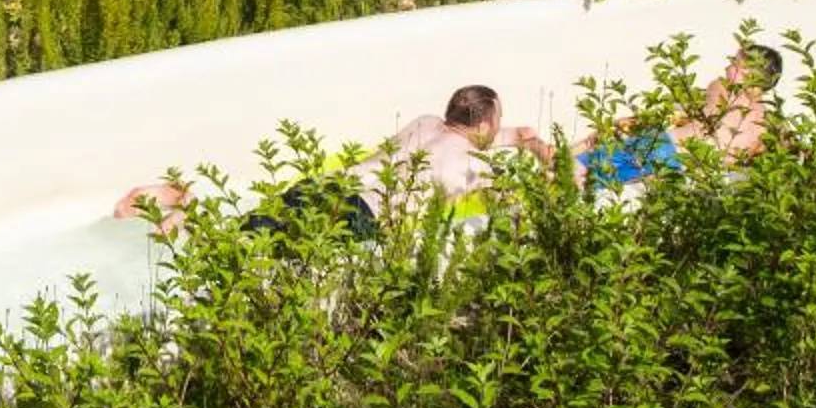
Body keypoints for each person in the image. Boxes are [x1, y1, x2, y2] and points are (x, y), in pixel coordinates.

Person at [114, 85, 550, 241]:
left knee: (242, 235)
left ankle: (175, 208)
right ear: (488, 123)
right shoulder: (476, 168)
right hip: (358, 216)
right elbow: (514, 206)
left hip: (326, 186)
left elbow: (471, 143)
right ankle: (183, 211)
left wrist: (526, 141)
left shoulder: (424, 123)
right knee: (260, 255)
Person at [576, 44, 783, 189]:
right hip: (686, 169)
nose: (727, 66)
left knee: (580, 167)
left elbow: (698, 114)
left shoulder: (722, 87)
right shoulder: (765, 119)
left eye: (734, 63)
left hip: (666, 147)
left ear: (744, 73)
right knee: (597, 181)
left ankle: (558, 160)